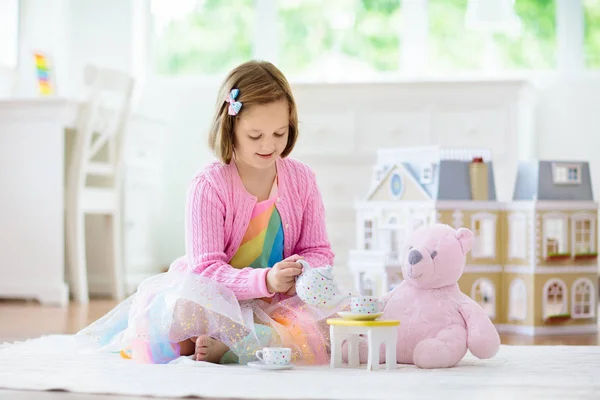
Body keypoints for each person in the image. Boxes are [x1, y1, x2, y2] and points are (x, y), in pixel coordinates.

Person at [77, 60, 343, 365]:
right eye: (255, 136)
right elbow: (205, 270)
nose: (269, 145)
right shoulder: (209, 184)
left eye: (279, 133)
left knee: (334, 318)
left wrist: (302, 272)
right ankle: (242, 342)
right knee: (181, 309)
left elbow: (319, 251)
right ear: (229, 128)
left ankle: (233, 346)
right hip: (219, 297)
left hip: (279, 302)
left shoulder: (301, 179)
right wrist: (265, 280)